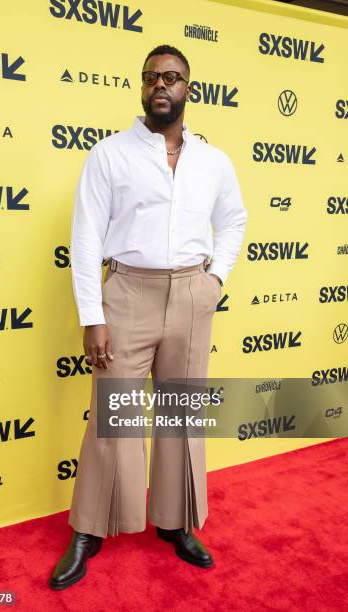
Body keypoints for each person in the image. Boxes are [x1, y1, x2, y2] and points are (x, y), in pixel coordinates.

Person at [49, 44, 247, 590]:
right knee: (115, 419)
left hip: (190, 293)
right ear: (142, 87)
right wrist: (93, 315)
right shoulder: (109, 154)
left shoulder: (213, 161)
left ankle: (176, 522)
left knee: (182, 415)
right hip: (127, 295)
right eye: (152, 76)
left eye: (174, 77)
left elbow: (234, 220)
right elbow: (86, 238)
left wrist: (216, 280)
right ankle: (90, 530)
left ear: (189, 89)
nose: (162, 85)